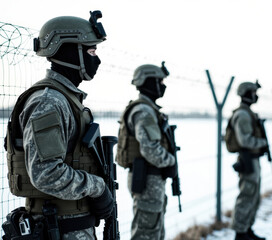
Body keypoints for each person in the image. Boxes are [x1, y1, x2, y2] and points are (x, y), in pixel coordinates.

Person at [4, 11, 113, 239]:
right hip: (59, 229)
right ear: (70, 52)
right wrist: (97, 187)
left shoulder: (64, 98)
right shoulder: (48, 102)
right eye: (91, 51)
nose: (97, 59)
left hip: (72, 227)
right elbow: (46, 173)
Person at [115, 63, 175, 240]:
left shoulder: (148, 109)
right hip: (147, 178)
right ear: (148, 82)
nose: (163, 85)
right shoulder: (144, 111)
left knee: (153, 230)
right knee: (146, 233)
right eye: (159, 81)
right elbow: (150, 150)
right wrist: (171, 161)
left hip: (150, 178)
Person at [227, 81, 268, 240]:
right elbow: (245, 140)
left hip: (253, 159)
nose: (255, 95)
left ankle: (247, 229)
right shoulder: (243, 114)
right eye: (253, 92)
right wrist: (262, 143)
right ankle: (240, 232)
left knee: (254, 196)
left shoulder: (248, 113)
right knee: (247, 194)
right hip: (247, 159)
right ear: (246, 93)